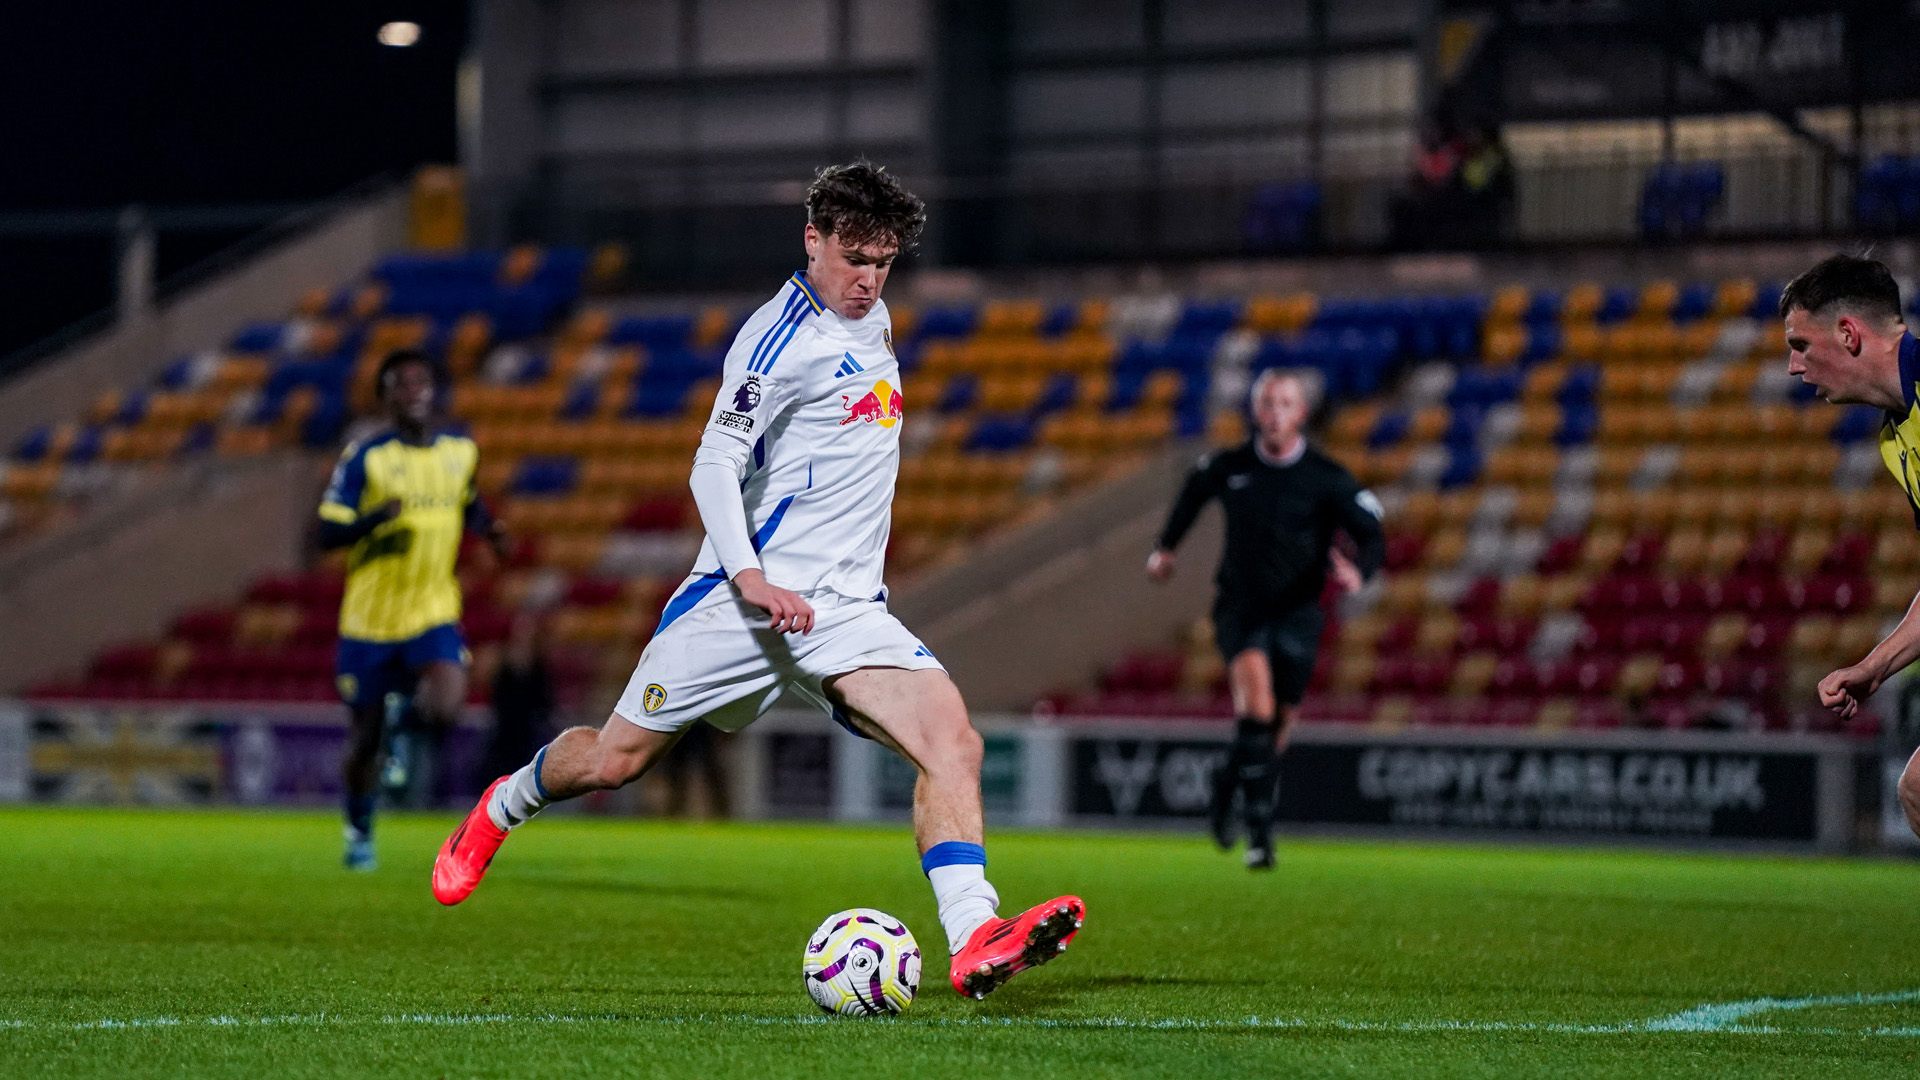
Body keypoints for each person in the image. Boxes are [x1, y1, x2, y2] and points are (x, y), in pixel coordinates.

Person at [430, 162, 1085, 1000]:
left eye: (883, 263)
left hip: (843, 613)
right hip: (740, 607)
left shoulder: (874, 318)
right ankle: (503, 806)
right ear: (811, 240)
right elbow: (713, 465)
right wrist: (748, 578)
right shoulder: (779, 339)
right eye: (853, 258)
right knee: (613, 762)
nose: (868, 279)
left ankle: (973, 934)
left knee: (953, 742)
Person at [1147, 370, 1385, 869]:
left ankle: (1227, 788)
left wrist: (1358, 572)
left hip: (1299, 612)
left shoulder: (1325, 476)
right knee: (1256, 707)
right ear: (1256, 412)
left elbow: (1371, 529)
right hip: (1242, 606)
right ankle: (1260, 835)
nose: (1275, 412)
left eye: (1285, 403)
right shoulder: (1231, 466)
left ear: (1300, 413)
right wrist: (1166, 549)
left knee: (1277, 727)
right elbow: (1193, 493)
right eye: (1267, 403)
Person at [316, 349, 509, 870]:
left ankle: (405, 731)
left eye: (422, 383)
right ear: (385, 397)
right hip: (369, 621)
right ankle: (358, 829)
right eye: (402, 385)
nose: (415, 392)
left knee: (448, 701)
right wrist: (374, 518)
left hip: (431, 608)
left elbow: (466, 499)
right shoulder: (367, 457)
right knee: (364, 743)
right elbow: (325, 531)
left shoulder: (459, 451)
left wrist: (487, 529)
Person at [1780, 253, 1920, 837]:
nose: (1792, 366)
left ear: (1847, 333)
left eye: (1800, 344)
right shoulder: (1898, 434)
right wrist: (1874, 667)